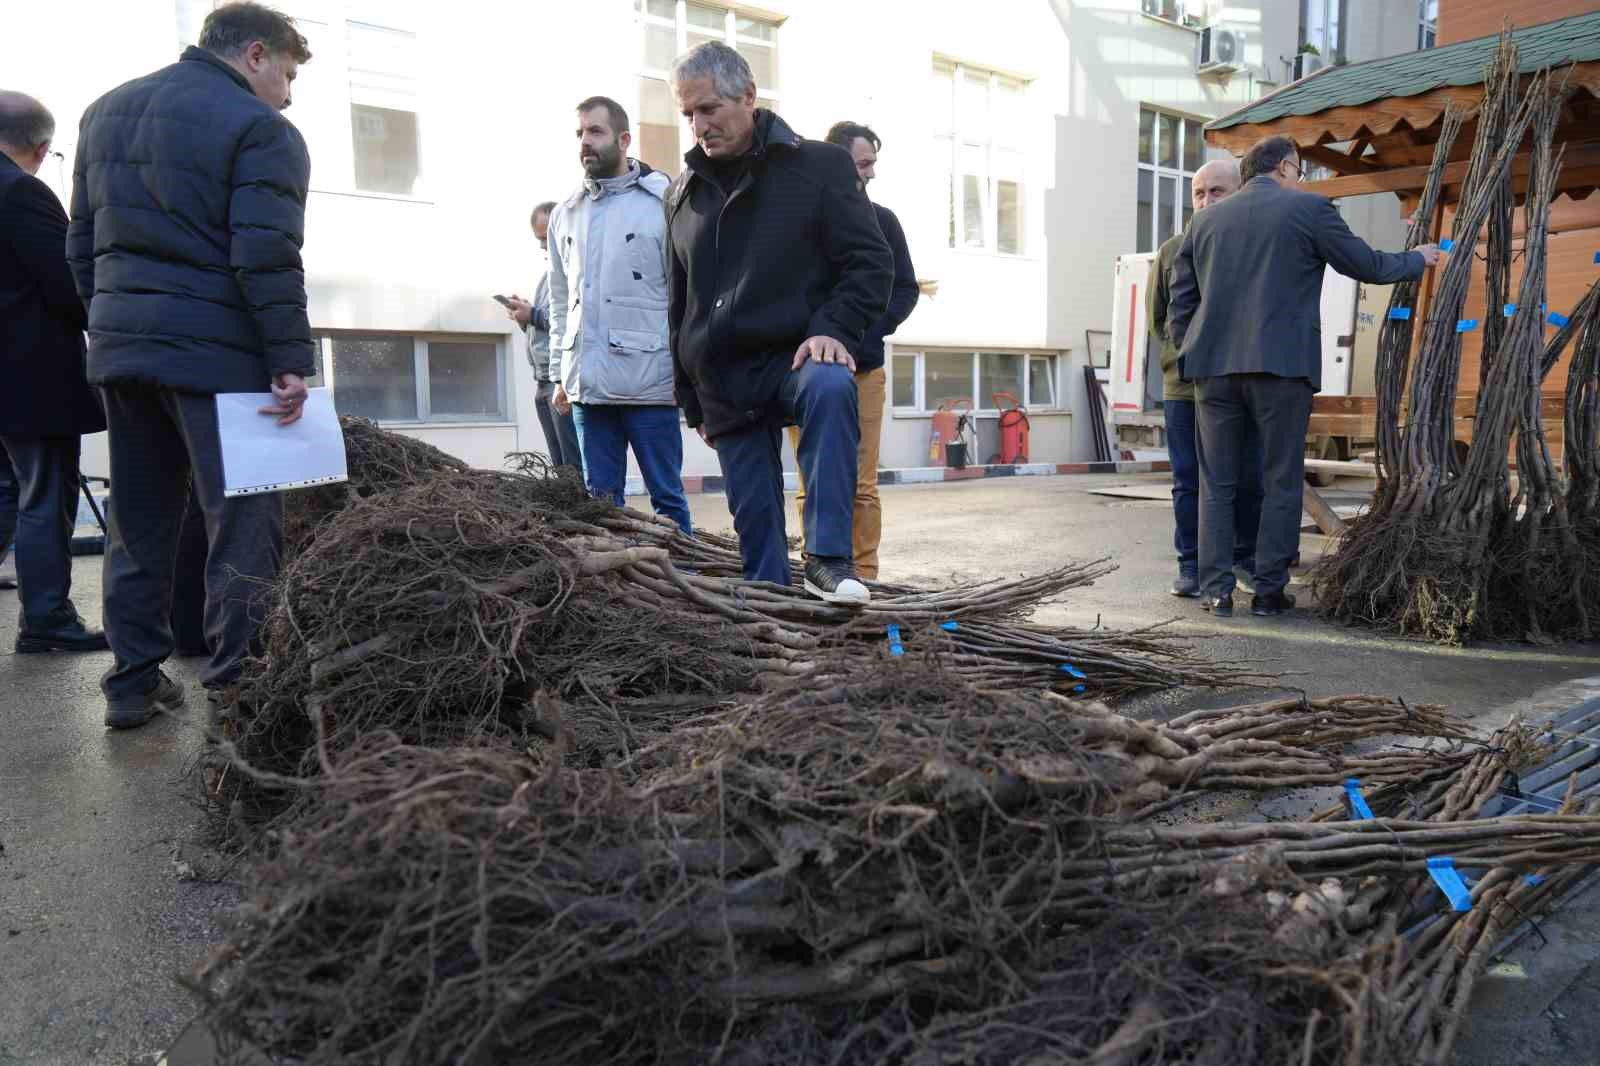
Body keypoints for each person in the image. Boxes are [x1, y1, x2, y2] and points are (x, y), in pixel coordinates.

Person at [68, 1, 317, 728]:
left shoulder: (104, 112)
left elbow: (80, 245)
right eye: (289, 74)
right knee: (242, 523)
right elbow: (266, 254)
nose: (288, 95)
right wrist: (289, 360)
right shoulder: (263, 130)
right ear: (256, 55)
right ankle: (241, 688)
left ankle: (132, 683)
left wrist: (113, 325)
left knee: (137, 522)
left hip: (123, 351)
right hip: (221, 360)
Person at [1168, 135, 1439, 618]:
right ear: (1286, 168)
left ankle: (1216, 591)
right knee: (1280, 479)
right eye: (1300, 170)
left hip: (1213, 371)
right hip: (1282, 367)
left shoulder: (1205, 221)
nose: (1302, 178)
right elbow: (1368, 265)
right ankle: (1268, 592)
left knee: (1217, 483)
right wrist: (1418, 258)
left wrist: (1192, 349)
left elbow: (1181, 300)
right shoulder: (1309, 211)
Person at [667, 42, 893, 603]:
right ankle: (779, 637)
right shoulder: (681, 194)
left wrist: (833, 329)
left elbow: (871, 262)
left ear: (748, 95)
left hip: (796, 361)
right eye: (689, 113)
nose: (699, 125)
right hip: (726, 384)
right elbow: (679, 304)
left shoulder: (818, 167)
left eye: (709, 108)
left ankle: (828, 560)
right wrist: (692, 401)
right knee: (761, 569)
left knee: (830, 382)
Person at [547, 96, 692, 535]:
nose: (584, 142)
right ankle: (619, 577)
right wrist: (560, 374)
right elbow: (561, 300)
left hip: (651, 386)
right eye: (580, 133)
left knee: (667, 498)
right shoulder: (565, 214)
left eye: (596, 131)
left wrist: (685, 375)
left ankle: (684, 573)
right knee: (601, 503)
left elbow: (686, 297)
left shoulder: (664, 204)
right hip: (588, 389)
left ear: (624, 139)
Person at [783, 121, 918, 582]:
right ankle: (818, 570)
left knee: (861, 485)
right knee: (811, 482)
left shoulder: (884, 221)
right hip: (809, 374)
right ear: (839, 163)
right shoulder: (801, 220)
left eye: (873, 164)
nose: (872, 173)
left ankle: (864, 576)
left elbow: (904, 290)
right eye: (864, 164)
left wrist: (858, 333)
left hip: (865, 373)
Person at [0, 91, 109, 652]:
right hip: (27, 378)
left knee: (6, 493)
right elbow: (68, 286)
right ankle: (46, 619)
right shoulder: (21, 191)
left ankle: (44, 617)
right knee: (44, 495)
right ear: (42, 148)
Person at [1147, 158, 1261, 599]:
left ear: (1240, 192)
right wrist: (1186, 356)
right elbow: (1159, 318)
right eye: (1199, 193)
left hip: (1239, 383)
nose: (1206, 200)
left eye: (1217, 191)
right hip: (1185, 388)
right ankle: (1191, 565)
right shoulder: (1172, 250)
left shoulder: (1252, 245)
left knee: (1247, 477)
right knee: (1188, 480)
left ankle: (1243, 558)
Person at [505, 201, 581, 470]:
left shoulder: (576, 271)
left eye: (544, 238)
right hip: (542, 379)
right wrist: (525, 317)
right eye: (538, 239)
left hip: (562, 381)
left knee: (573, 465)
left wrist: (534, 315)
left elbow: (573, 320)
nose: (541, 246)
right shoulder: (548, 276)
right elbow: (546, 322)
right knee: (560, 465)